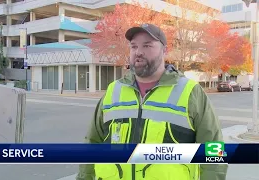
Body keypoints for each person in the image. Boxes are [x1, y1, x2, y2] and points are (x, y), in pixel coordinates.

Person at [76, 23, 228, 180]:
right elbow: (92, 143)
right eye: (133, 46)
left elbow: (214, 148)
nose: (138, 52)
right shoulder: (113, 91)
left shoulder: (190, 92)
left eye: (147, 45)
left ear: (165, 50)